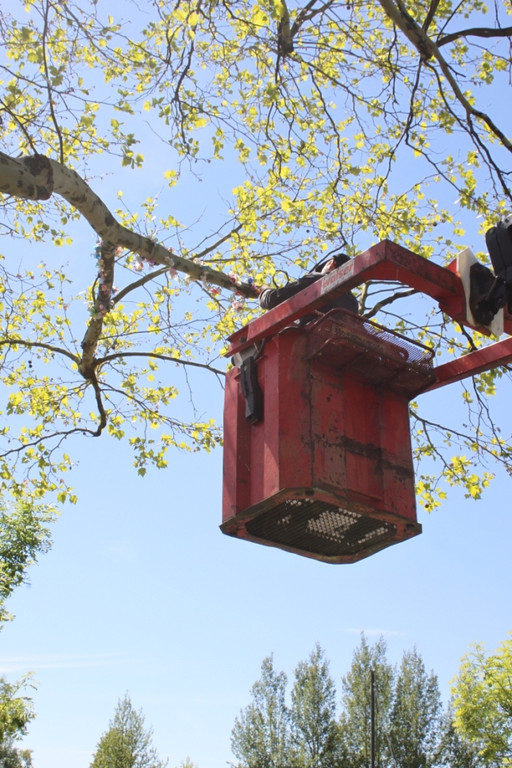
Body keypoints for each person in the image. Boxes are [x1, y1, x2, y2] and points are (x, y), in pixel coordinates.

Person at [258, 252, 358, 318]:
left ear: (331, 263)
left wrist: (264, 291)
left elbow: (273, 299)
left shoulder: (318, 280)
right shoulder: (354, 303)